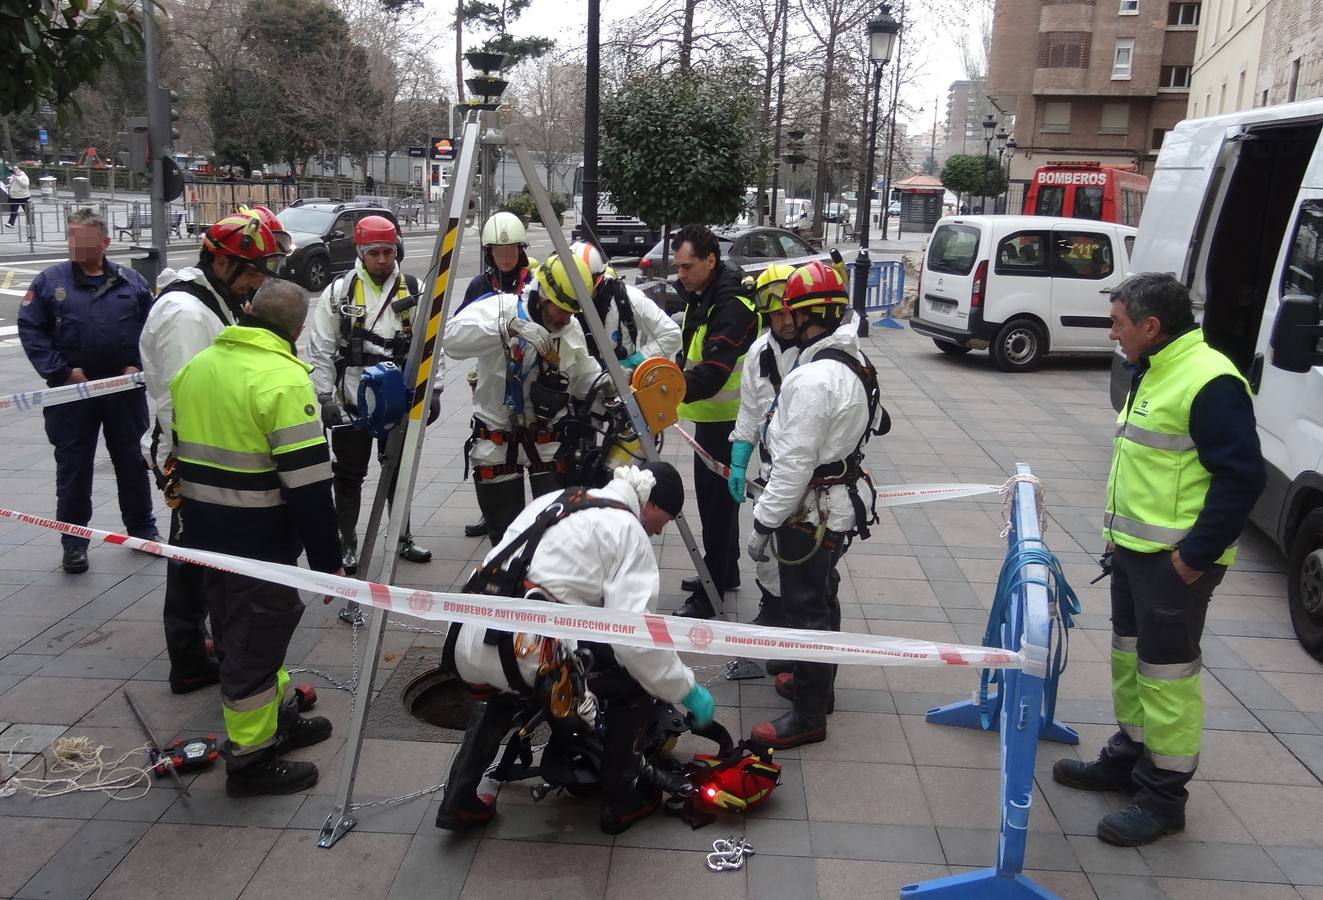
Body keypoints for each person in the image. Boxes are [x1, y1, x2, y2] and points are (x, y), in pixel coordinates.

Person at [1052, 272, 1265, 847]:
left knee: (1168, 677)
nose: (1112, 333)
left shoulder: (1209, 380)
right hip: (1134, 553)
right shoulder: (1154, 368)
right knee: (1131, 660)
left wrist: (1191, 560)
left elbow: (1243, 477)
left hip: (1173, 563)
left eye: (1119, 323)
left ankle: (1163, 798)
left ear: (1152, 326)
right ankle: (1129, 757)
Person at [434, 462, 714, 834]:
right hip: (524, 651)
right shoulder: (628, 530)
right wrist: (686, 689)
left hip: (471, 638)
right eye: (665, 520)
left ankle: (458, 801)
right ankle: (622, 802)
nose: (660, 531)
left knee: (502, 691)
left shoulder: (562, 499)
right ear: (652, 504)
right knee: (635, 685)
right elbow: (636, 642)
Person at [169, 279, 343, 797]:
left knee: (241, 632)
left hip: (205, 535)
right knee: (253, 643)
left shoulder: (197, 367)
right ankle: (251, 759)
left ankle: (279, 718)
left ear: (248, 313)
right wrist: (328, 561)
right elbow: (310, 486)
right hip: (260, 543)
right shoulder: (284, 381)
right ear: (296, 328)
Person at [140, 210, 287, 694]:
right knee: (189, 557)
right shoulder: (186, 314)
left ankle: (201, 649)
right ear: (223, 264)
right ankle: (188, 659)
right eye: (253, 272)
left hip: (204, 457)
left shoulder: (208, 303)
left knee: (199, 555)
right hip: (195, 459)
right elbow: (186, 400)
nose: (256, 284)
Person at [746, 260, 885, 749]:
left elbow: (793, 466)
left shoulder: (811, 380)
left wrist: (762, 525)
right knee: (823, 599)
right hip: (835, 507)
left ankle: (808, 715)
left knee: (807, 610)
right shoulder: (854, 362)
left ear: (804, 317)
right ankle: (816, 689)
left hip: (809, 513)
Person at [17, 208, 159, 574]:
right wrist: (61, 371)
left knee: (132, 460)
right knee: (74, 467)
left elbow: (153, 328)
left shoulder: (130, 281)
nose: (74, 244)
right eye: (70, 237)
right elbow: (32, 331)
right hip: (71, 393)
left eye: (82, 238)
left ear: (104, 242)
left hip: (123, 390)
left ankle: (142, 530)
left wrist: (139, 366)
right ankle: (74, 542)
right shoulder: (50, 282)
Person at [444, 252, 605, 546]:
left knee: (555, 535)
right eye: (562, 309)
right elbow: (451, 339)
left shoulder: (569, 328)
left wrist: (612, 388)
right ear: (543, 296)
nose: (567, 318)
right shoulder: (500, 307)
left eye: (573, 311)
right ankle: (507, 588)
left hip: (547, 438)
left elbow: (584, 376)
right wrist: (506, 328)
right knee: (505, 538)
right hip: (496, 436)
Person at [308, 214, 435, 574]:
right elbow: (319, 348)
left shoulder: (413, 288)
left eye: (388, 252)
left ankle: (401, 537)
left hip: (399, 399)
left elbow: (430, 342)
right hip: (352, 401)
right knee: (348, 476)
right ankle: (347, 542)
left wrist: (434, 389)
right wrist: (325, 398)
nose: (382, 260)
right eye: (375, 252)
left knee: (399, 471)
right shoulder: (340, 292)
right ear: (361, 252)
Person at [671, 224, 760, 619]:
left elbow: (712, 371)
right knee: (716, 504)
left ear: (710, 260)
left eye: (687, 266)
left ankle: (713, 592)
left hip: (728, 420)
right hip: (713, 418)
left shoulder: (730, 304)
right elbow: (690, 350)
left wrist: (668, 392)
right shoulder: (704, 293)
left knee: (717, 506)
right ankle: (725, 570)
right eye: (678, 267)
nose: (681, 275)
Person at [456, 212, 540, 537]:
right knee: (492, 453)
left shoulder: (535, 283)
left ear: (521, 249)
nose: (504, 257)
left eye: (511, 250)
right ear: (488, 252)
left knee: (537, 455)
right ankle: (492, 513)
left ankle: (535, 523)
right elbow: (458, 329)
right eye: (497, 250)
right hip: (492, 381)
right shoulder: (480, 285)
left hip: (532, 383)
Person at [729, 263, 799, 633]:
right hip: (772, 473)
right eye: (777, 312)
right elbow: (749, 411)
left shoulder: (819, 352)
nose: (786, 320)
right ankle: (772, 613)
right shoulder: (759, 354)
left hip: (810, 477)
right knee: (767, 550)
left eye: (791, 310)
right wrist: (740, 458)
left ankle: (802, 627)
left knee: (804, 557)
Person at [566, 240, 681, 369]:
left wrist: (636, 361)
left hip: (620, 383)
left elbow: (671, 334)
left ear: (597, 278)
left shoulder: (627, 298)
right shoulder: (558, 303)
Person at [5, 164, 30, 228]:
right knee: (13, 211)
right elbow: (12, 183)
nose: (15, 170)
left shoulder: (24, 176)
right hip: (14, 196)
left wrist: (17, 178)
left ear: (20, 170)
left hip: (23, 197)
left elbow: (26, 184)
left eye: (16, 169)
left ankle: (30, 223)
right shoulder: (13, 176)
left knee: (26, 210)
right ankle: (11, 223)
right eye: (14, 169)